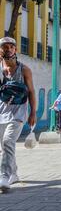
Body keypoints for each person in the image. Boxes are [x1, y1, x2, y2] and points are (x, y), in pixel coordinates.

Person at [0, 37, 37, 191]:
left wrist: (33, 112)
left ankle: (3, 177)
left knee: (8, 141)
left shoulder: (24, 69)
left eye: (11, 46)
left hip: (18, 113)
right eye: (4, 47)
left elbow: (32, 91)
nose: (8, 49)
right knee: (4, 146)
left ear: (15, 50)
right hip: (2, 113)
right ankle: (14, 174)